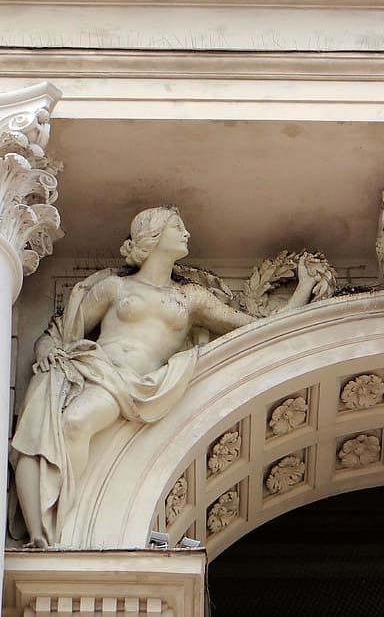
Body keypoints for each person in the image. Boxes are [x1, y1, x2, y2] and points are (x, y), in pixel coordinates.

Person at [11, 206, 320, 548]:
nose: (186, 233)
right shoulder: (114, 288)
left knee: (75, 423)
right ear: (153, 236)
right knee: (71, 423)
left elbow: (256, 329)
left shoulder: (189, 298)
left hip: (144, 382)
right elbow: (60, 333)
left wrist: (302, 289)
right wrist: (45, 353)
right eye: (178, 226)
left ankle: (59, 525)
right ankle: (58, 526)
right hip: (100, 371)